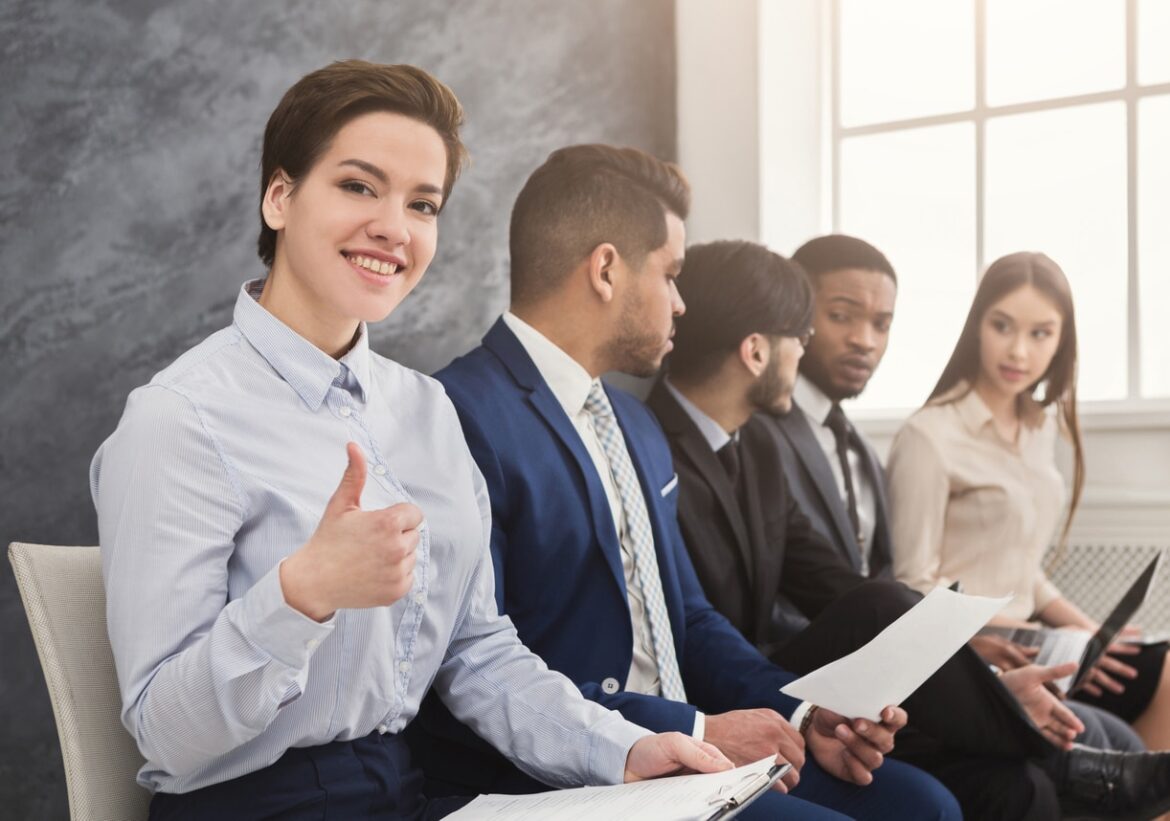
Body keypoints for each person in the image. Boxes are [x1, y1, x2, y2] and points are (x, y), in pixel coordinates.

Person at [89, 61, 737, 821]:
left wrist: (620, 748)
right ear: (280, 197)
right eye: (359, 186)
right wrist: (302, 594)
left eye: (422, 203)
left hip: (409, 794)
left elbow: (478, 653)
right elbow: (165, 732)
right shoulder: (180, 417)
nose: (394, 227)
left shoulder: (427, 408)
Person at [406, 143, 962, 820]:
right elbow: (480, 666)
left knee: (924, 806)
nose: (680, 303)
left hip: (685, 747)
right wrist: (692, 729)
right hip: (569, 772)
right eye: (671, 275)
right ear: (606, 269)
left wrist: (804, 711)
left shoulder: (636, 427)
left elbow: (688, 619)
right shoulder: (457, 415)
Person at [649, 238, 1170, 820]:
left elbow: (832, 581)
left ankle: (1024, 734)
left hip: (786, 666)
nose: (809, 350)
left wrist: (967, 665)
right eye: (803, 336)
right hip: (736, 676)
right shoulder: (654, 445)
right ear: (755, 352)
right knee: (883, 602)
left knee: (890, 613)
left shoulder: (758, 448)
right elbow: (701, 626)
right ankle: (1055, 753)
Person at [886, 250, 1170, 754]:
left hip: (1036, 636)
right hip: (975, 649)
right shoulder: (930, 436)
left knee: (1159, 662)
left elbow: (1024, 572)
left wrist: (1092, 632)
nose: (1018, 350)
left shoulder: (1040, 431)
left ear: (1062, 342)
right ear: (977, 326)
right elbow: (910, 585)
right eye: (1002, 326)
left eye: (1040, 333)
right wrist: (1054, 638)